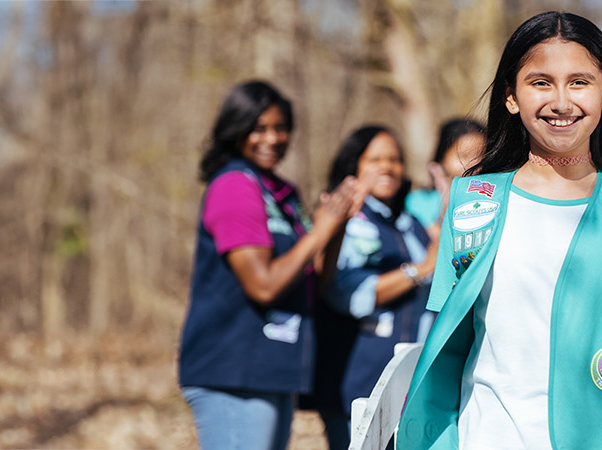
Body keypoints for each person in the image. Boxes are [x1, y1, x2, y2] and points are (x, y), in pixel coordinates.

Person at [397, 11, 602, 450]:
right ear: (511, 97)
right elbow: (449, 341)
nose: (561, 102)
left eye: (579, 82)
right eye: (540, 82)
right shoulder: (473, 201)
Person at [180, 80, 362, 450]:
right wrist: (320, 229)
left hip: (273, 369)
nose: (272, 138)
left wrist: (336, 228)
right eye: (259, 128)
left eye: (280, 128)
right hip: (233, 371)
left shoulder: (282, 193)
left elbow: (315, 284)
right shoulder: (234, 186)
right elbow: (262, 285)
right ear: (236, 130)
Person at [312, 125, 439, 450]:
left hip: (408, 388)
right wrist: (421, 268)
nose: (387, 167)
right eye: (375, 159)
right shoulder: (346, 223)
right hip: (356, 384)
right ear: (353, 165)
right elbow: (347, 295)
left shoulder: (410, 225)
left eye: (395, 160)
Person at [404, 118, 487, 234]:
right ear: (442, 157)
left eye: (481, 156)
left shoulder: (493, 197)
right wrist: (447, 208)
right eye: (464, 156)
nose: (473, 164)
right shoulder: (418, 201)